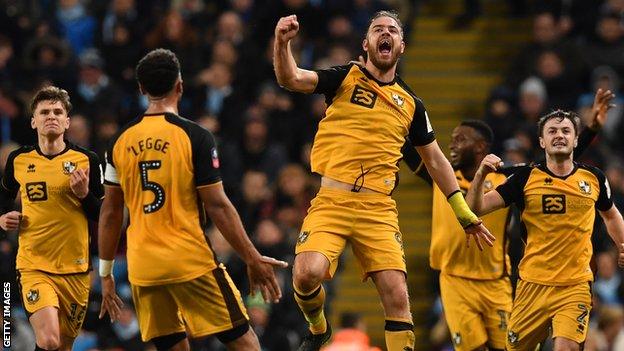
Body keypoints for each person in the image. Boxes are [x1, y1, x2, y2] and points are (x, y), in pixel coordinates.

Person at [273, 10, 495, 351]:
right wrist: (282, 43)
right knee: (306, 274)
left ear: (402, 46)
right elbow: (292, 79)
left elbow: (435, 160)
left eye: (392, 30)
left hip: (377, 207)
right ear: (366, 44)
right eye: (378, 29)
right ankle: (318, 328)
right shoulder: (346, 76)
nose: (385, 33)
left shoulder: (411, 105)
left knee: (397, 296)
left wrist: (463, 212)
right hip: (332, 200)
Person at [97, 48, 288, 351]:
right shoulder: (195, 136)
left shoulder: (118, 142)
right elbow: (218, 205)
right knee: (245, 341)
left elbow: (110, 213)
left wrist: (105, 274)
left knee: (172, 345)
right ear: (180, 86)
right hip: (189, 259)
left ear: (142, 89)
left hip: (143, 265)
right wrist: (252, 256)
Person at [401, 89, 614, 351]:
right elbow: (415, 153)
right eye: (453, 139)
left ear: (481, 147)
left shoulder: (507, 178)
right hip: (455, 278)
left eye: (461, 139)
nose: (452, 145)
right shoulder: (442, 178)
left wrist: (591, 129)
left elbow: (555, 165)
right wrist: (394, 119)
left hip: (498, 279)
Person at [466, 110, 624, 351]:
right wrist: (480, 175)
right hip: (533, 284)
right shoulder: (525, 178)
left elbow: (611, 215)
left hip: (576, 285)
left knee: (566, 347)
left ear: (576, 140)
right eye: (552, 131)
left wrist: (622, 245)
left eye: (565, 131)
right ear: (542, 141)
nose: (559, 135)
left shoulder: (594, 178)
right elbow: (475, 208)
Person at [0, 86, 103, 351]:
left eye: (58, 112)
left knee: (61, 347)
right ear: (33, 120)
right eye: (44, 112)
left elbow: (103, 215)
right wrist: (3, 217)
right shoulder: (19, 160)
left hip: (76, 269)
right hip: (34, 264)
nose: (51, 116)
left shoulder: (87, 160)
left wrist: (83, 194)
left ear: (67, 121)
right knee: (48, 340)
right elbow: (4, 198)